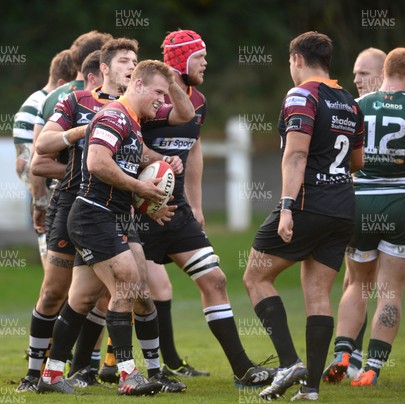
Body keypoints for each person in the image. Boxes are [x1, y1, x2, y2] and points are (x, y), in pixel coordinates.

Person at [37, 59, 192, 396]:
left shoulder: (134, 125)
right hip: (93, 216)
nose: (163, 102)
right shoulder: (113, 117)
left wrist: (150, 204)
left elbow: (125, 174)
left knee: (81, 299)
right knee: (128, 283)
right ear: (137, 85)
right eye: (159, 93)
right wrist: (140, 189)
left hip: (113, 216)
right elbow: (97, 162)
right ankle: (127, 375)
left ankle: (49, 376)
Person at [139, 29, 270, 385]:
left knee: (214, 279)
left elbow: (192, 149)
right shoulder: (148, 98)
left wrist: (195, 204)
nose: (206, 63)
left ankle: (243, 369)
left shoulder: (198, 101)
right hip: (139, 209)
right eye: (200, 57)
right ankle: (88, 366)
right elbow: (125, 146)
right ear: (181, 61)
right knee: (112, 293)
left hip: (178, 209)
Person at [242, 31, 364, 401]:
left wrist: (287, 207)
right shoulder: (350, 102)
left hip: (309, 202)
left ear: (296, 59)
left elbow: (295, 154)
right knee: (317, 292)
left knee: (255, 276)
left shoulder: (302, 94)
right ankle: (310, 389)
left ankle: (289, 362)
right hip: (343, 207)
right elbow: (357, 161)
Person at [322, 47, 405, 387]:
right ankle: (372, 368)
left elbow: (340, 159)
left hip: (358, 202)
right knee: (390, 291)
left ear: (384, 70)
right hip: (404, 205)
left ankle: (343, 353)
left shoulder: (356, 107)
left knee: (357, 284)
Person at [15, 31, 112, 393]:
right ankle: (33, 373)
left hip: (108, 209)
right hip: (67, 204)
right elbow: (37, 162)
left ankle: (82, 368)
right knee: (55, 291)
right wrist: (42, 201)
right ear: (95, 67)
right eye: (119, 63)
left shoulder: (127, 103)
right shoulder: (65, 99)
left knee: (105, 291)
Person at [12, 49, 76, 269]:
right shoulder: (35, 107)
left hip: (71, 203)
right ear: (61, 82)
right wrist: (43, 200)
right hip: (54, 205)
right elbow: (24, 164)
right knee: (58, 284)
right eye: (73, 84)